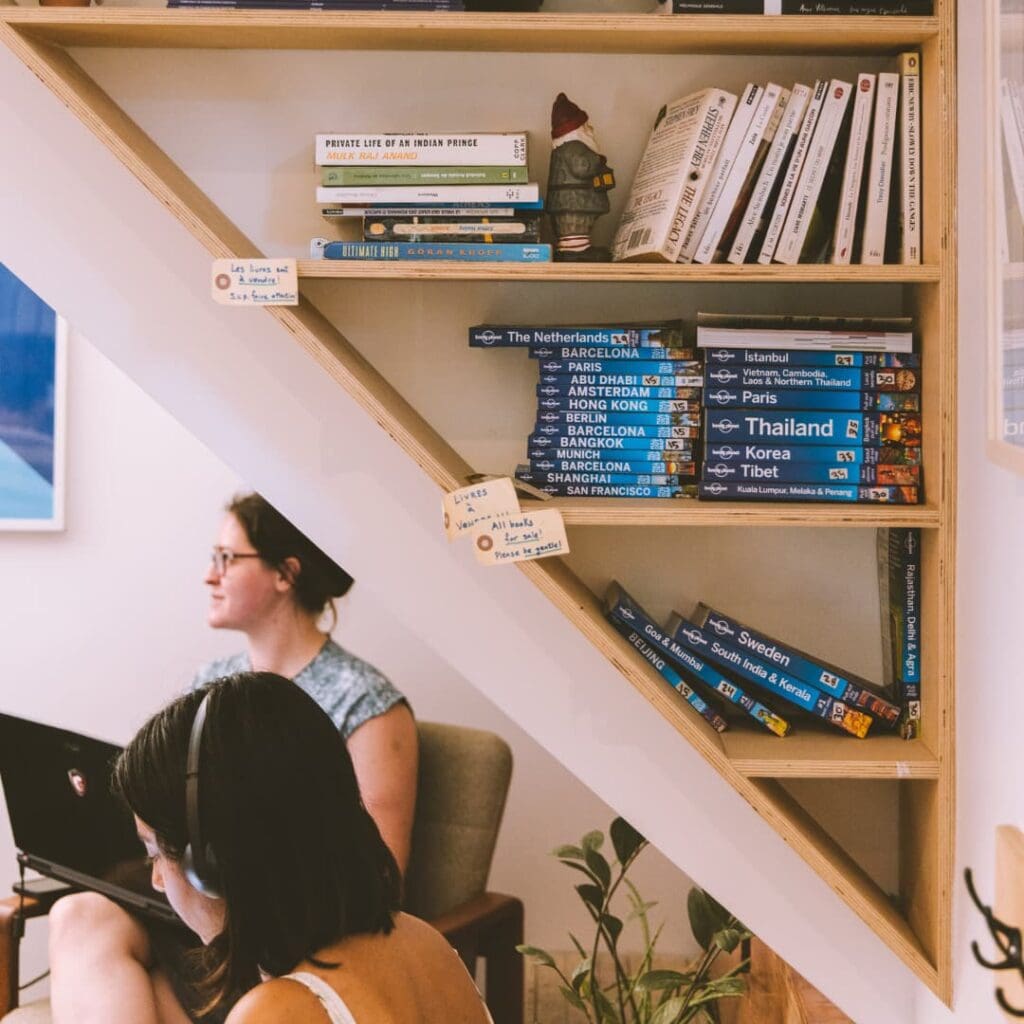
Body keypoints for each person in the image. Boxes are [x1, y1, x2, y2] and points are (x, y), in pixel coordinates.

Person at [48, 493, 418, 1023]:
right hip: (197, 904)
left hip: (274, 925)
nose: (208, 575)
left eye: (226, 558)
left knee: (144, 980)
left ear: (285, 574)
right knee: (78, 915)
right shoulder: (210, 690)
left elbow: (379, 873)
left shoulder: (365, 701)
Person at [110, 672, 491, 1024]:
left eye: (155, 853)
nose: (157, 880)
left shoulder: (275, 1013)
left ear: (210, 864)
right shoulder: (423, 941)